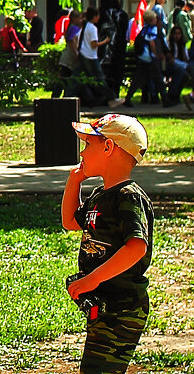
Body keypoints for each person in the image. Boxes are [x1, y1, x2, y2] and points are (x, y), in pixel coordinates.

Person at [61, 114, 153, 374]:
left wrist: (93, 279)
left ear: (109, 147)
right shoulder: (100, 196)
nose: (82, 151)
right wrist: (74, 180)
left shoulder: (129, 197)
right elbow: (70, 221)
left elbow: (137, 247)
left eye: (88, 145)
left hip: (123, 305)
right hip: (106, 302)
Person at [78, 6, 111, 105]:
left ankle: (90, 97)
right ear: (95, 16)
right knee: (99, 78)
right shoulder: (93, 28)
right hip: (91, 56)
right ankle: (111, 97)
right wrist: (105, 41)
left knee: (82, 77)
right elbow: (94, 44)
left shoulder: (85, 26)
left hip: (83, 54)